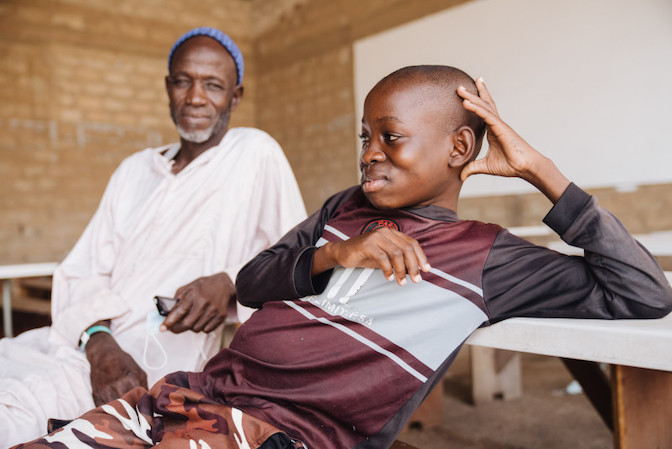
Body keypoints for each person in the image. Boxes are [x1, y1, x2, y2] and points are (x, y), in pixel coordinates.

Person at [13, 65, 672, 449]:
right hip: (191, 391)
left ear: (460, 149)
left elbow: (644, 292)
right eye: (366, 136)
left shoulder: (484, 256)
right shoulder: (343, 210)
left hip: (274, 432)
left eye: (392, 137)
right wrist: (339, 255)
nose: (370, 153)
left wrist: (540, 170)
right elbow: (252, 281)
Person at [0, 27, 306, 447]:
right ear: (168, 88)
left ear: (235, 96)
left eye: (213, 85)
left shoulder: (254, 153)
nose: (195, 97)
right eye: (183, 81)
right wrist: (98, 344)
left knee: (16, 413)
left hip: (150, 373)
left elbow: (297, 260)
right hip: (82, 351)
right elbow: (86, 270)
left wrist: (232, 282)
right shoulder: (134, 170)